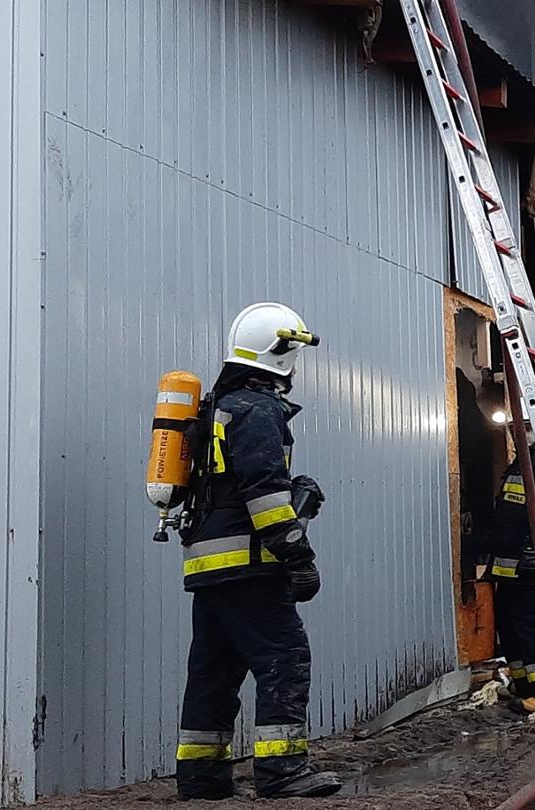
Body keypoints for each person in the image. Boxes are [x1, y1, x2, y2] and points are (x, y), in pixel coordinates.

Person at [174, 302, 340, 800]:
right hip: (248, 565)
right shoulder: (258, 409)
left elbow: (225, 489)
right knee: (285, 657)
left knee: (214, 670)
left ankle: (201, 779)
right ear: (281, 352)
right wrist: (298, 556)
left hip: (209, 565)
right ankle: (282, 770)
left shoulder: (216, 408)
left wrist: (296, 499)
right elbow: (263, 494)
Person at [481, 451, 535, 713]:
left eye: (527, 427)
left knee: (529, 626)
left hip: (528, 565)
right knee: (509, 625)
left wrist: (532, 552)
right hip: (510, 564)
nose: (518, 432)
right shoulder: (521, 462)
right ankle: (524, 684)